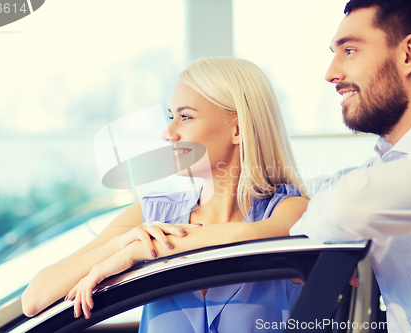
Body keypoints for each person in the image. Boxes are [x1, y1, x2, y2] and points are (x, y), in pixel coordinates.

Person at [22, 56, 309, 332]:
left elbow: (251, 239)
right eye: (171, 116)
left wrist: (136, 253)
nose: (168, 133)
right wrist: (120, 246)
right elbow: (34, 299)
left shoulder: (291, 211)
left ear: (237, 129)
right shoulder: (151, 215)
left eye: (185, 117)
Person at [290, 0, 411, 331]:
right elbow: (312, 199)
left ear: (409, 54)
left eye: (350, 51)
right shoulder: (381, 168)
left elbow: (345, 207)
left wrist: (323, 233)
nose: (331, 74)